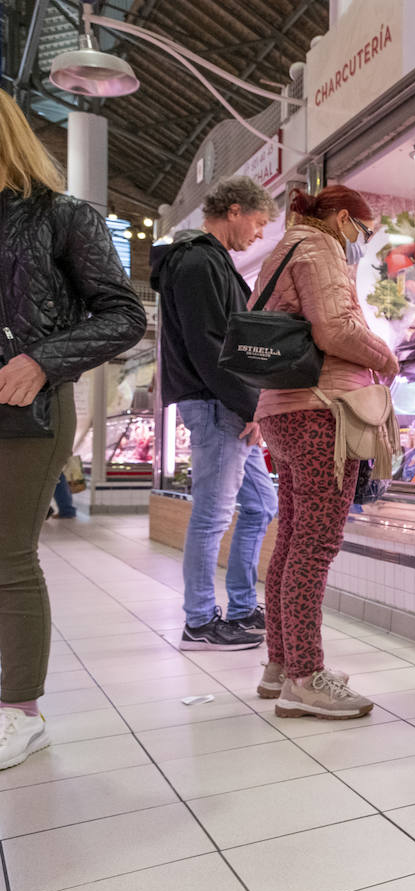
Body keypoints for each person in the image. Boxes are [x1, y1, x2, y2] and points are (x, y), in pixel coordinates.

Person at [0, 89, 146, 769]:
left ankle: (20, 711)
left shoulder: (61, 216)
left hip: (27, 409)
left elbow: (123, 315)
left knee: (9, 557)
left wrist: (42, 360)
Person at [253, 185, 398, 719]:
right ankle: (305, 679)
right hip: (321, 411)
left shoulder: (286, 247)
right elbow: (335, 329)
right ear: (342, 219)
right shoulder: (320, 248)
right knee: (314, 547)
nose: (361, 241)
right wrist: (385, 357)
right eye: (362, 231)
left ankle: (281, 665)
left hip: (282, 410)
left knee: (293, 541)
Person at [151, 176, 277, 651]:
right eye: (258, 223)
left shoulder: (211, 261)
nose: (259, 234)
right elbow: (209, 346)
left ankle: (242, 606)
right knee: (211, 515)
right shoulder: (198, 261)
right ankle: (200, 621)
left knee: (262, 505)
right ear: (234, 210)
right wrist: (251, 404)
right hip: (216, 403)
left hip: (227, 403)